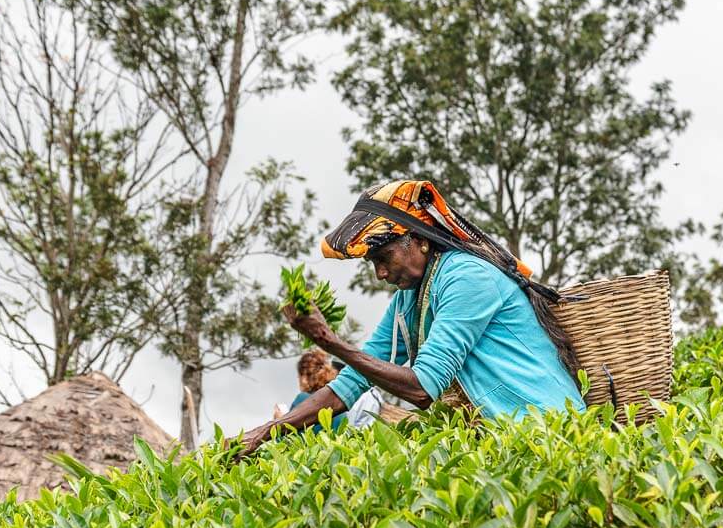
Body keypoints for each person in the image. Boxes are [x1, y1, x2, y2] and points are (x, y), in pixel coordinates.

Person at [240, 179, 585, 455]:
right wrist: (264, 433)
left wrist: (328, 342)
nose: (379, 273)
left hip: (549, 433)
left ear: (419, 239)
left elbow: (423, 388)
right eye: (372, 263)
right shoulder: (409, 299)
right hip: (502, 441)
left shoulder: (467, 277)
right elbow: (347, 387)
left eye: (383, 256)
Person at [288, 349, 348, 431]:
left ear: (303, 377)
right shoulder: (339, 401)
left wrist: (279, 421)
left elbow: (287, 438)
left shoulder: (303, 399)